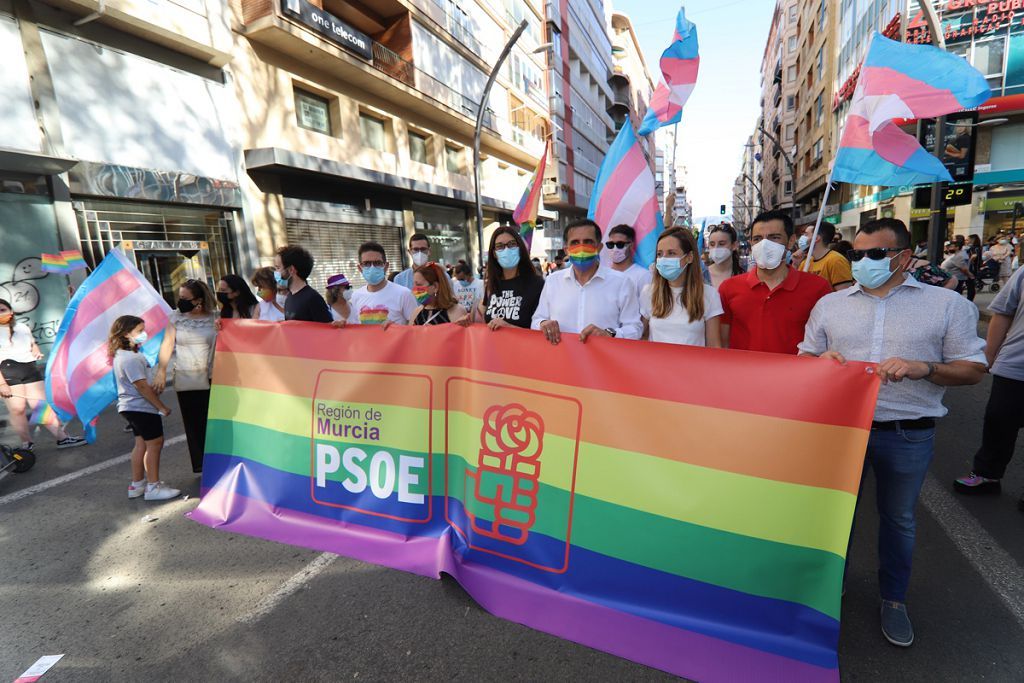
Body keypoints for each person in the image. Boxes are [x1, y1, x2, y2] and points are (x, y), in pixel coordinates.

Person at [799, 217, 986, 648]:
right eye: (857, 254)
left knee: (898, 520)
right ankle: (831, 591)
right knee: (834, 518)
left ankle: (894, 599)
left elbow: (973, 370)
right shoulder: (831, 305)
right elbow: (805, 358)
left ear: (904, 256)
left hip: (907, 434)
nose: (864, 261)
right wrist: (820, 364)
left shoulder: (947, 306)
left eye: (875, 254)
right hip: (842, 433)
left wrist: (927, 368)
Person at [954, 263, 1024, 512]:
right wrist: (990, 355)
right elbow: (1003, 312)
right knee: (998, 420)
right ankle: (987, 475)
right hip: (1015, 364)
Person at [718, 210, 832, 354]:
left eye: (774, 237)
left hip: (796, 375)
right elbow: (722, 343)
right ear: (751, 243)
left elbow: (826, 341)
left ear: (791, 241)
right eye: (757, 239)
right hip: (743, 374)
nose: (764, 244)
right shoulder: (728, 288)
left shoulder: (818, 288)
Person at [532, 219, 642, 344]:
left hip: (603, 361)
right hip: (562, 360)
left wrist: (610, 333)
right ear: (566, 249)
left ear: (599, 247)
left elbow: (635, 328)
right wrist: (543, 324)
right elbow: (537, 320)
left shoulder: (622, 283)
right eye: (575, 242)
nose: (582, 247)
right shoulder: (553, 281)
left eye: (588, 242)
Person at [109, 315, 179, 501]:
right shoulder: (131, 358)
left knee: (141, 444)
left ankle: (137, 484)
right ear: (125, 334)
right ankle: (153, 487)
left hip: (129, 407)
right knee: (155, 444)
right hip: (141, 407)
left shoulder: (122, 355)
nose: (144, 334)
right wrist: (161, 407)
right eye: (139, 331)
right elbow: (141, 387)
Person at [0, 299, 85, 451]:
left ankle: (62, 438)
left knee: (41, 407)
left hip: (29, 368)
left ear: (10, 311)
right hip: (8, 370)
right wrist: (1, 384)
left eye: (2, 310)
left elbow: (32, 343)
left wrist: (35, 349)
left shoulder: (22, 327)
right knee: (17, 410)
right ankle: (27, 443)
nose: (1, 314)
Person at [153, 279, 217, 474]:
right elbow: (167, 344)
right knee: (194, 423)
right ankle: (202, 465)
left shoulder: (215, 317)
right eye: (179, 297)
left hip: (214, 376)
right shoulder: (176, 317)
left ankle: (219, 461)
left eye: (184, 298)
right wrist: (161, 371)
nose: (180, 301)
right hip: (187, 377)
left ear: (198, 300)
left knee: (214, 423)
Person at [640, 228, 722, 347]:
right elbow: (641, 336)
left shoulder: (709, 294)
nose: (664, 259)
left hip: (693, 365)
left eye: (671, 253)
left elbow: (714, 345)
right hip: (656, 365)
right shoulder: (649, 292)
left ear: (689, 257)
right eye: (659, 254)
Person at [478, 226, 545, 329]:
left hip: (523, 345)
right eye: (500, 246)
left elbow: (539, 330)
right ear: (494, 254)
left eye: (512, 244)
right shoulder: (492, 284)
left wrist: (509, 327)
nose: (506, 249)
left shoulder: (537, 284)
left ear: (520, 249)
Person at [346, 242, 418, 326]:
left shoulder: (404, 294)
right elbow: (355, 328)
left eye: (377, 263)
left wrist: (397, 329)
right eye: (366, 264)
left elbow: (416, 329)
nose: (372, 267)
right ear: (360, 268)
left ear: (386, 266)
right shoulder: (356, 296)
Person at [274, 245, 332, 323]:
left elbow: (327, 329)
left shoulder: (312, 298)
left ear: (291, 270)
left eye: (278, 268)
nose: (275, 273)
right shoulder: (289, 297)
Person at [797, 223, 854, 291]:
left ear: (816, 238)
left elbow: (844, 295)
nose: (802, 237)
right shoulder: (805, 263)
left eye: (806, 234)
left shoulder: (836, 261)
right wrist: (795, 264)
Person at [605, 224, 653, 293]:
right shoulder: (602, 274)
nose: (615, 249)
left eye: (620, 244)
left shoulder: (643, 276)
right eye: (611, 244)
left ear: (631, 245)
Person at [706, 223, 745, 288]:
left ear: (734, 245)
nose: (716, 248)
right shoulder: (701, 275)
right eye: (712, 244)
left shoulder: (744, 274)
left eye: (722, 244)